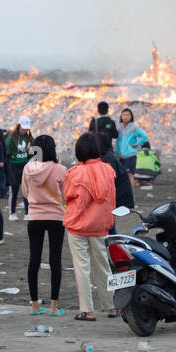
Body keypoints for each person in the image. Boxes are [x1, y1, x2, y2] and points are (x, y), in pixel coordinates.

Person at [64, 132, 116, 321]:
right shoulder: (109, 170)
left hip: (77, 226)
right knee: (103, 266)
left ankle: (87, 310)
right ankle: (111, 306)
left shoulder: (75, 173)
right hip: (101, 226)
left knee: (82, 268)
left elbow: (68, 196)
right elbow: (111, 199)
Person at [22, 134, 68, 316]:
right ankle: (54, 306)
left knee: (34, 260)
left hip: (34, 216)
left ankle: (34, 305)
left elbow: (25, 193)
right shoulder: (61, 169)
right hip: (56, 217)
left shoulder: (27, 169)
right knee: (55, 261)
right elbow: (65, 195)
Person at [5, 116, 34, 221]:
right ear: (19, 126)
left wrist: (30, 159)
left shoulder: (30, 138)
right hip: (14, 166)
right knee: (14, 189)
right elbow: (7, 151)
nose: (25, 130)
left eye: (27, 128)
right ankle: (12, 212)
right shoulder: (11, 137)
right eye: (23, 128)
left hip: (25, 166)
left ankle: (27, 213)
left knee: (27, 190)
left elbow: (33, 152)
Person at [116, 108, 148, 189]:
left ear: (131, 117)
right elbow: (118, 141)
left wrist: (137, 144)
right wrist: (116, 151)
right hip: (120, 155)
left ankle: (130, 197)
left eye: (128, 115)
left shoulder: (134, 127)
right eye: (124, 115)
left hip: (131, 155)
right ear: (121, 116)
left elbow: (144, 136)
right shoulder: (119, 128)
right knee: (121, 176)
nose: (126, 117)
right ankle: (124, 195)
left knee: (130, 175)